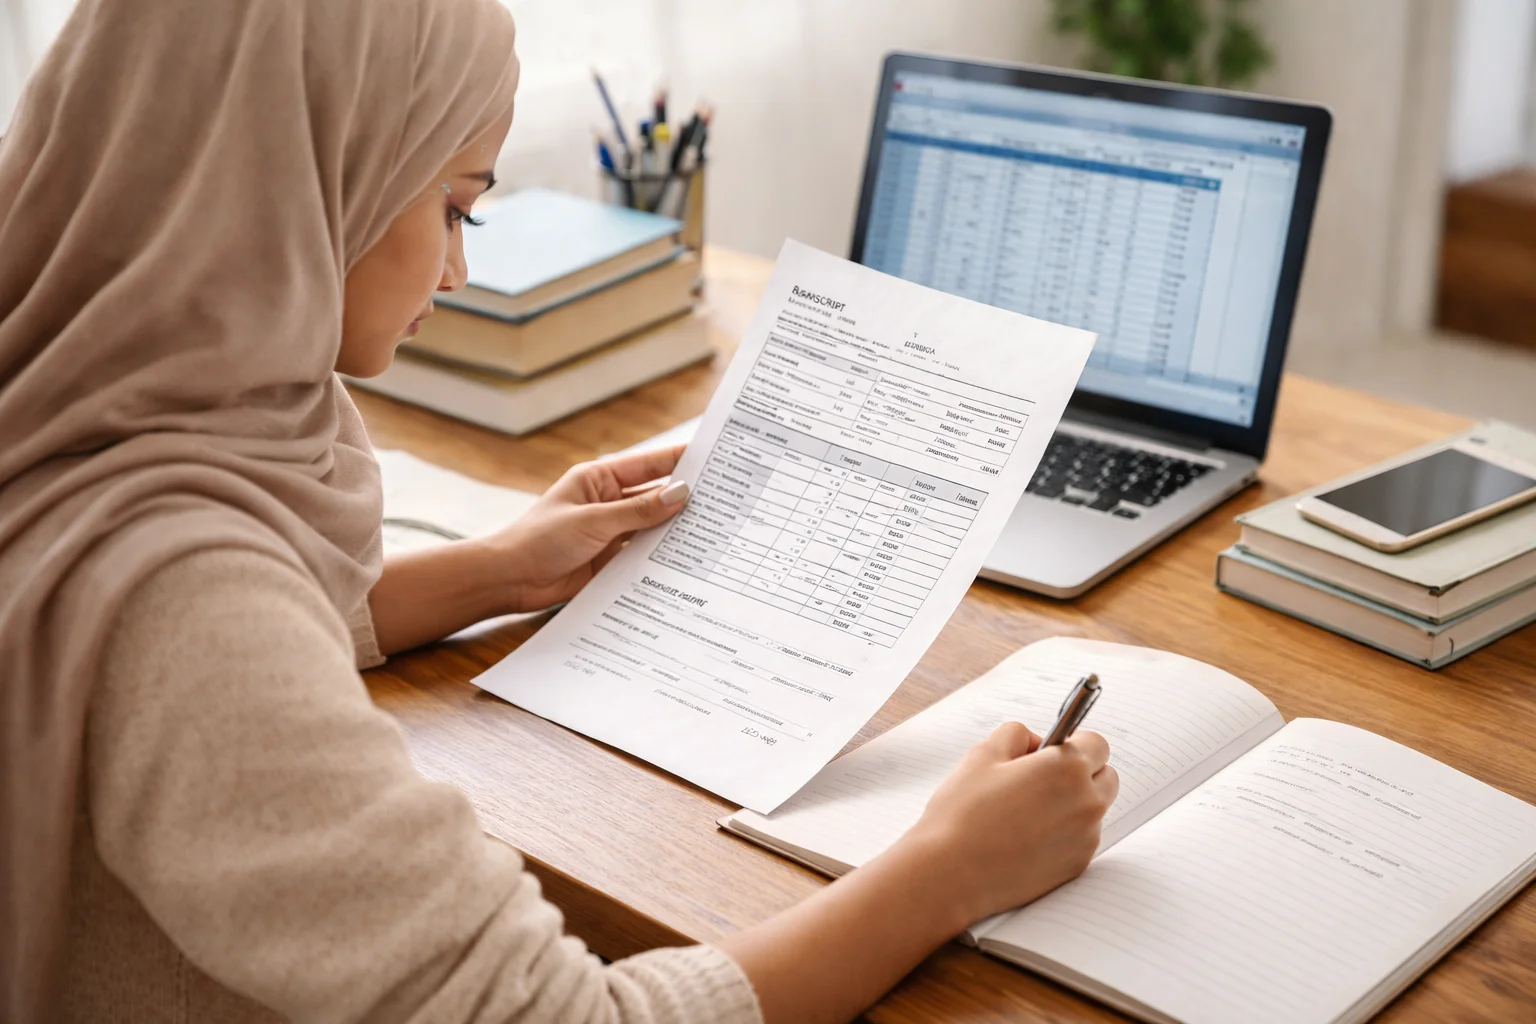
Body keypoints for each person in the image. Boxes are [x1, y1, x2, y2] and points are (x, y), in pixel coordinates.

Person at [0, 0, 1120, 1021]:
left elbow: (160, 658)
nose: (456, 273)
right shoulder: (192, 604)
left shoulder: (75, 413)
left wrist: (496, 569)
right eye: (455, 208)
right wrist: (944, 871)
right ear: (299, 178)